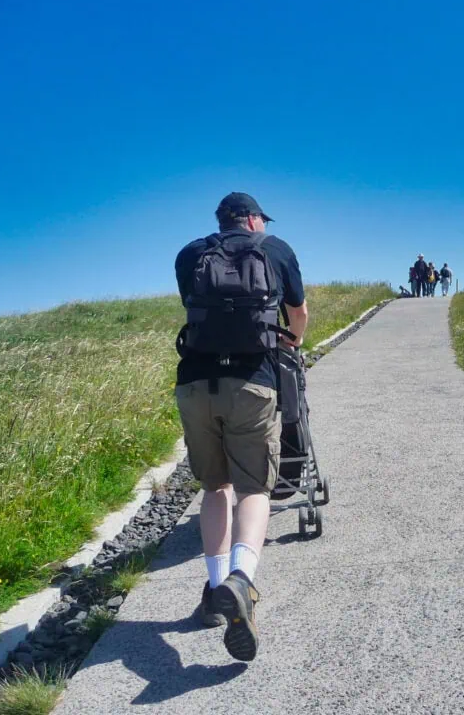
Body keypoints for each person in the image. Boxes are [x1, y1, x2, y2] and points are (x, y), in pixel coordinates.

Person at [174, 192, 308, 661]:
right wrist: (290, 346)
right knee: (253, 489)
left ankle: (214, 593)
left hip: (194, 385)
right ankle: (242, 581)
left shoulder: (191, 253)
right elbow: (298, 316)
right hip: (252, 381)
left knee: (215, 486)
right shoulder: (276, 249)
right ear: (252, 219)